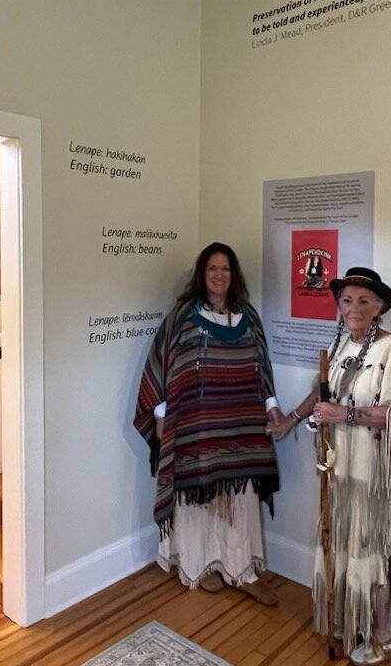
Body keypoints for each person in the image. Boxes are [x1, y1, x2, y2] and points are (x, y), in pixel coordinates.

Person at [268, 267, 391, 665]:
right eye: (347, 300)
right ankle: (352, 620)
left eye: (363, 300)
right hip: (340, 472)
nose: (354, 307)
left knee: (375, 550)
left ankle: (384, 636)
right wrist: (291, 418)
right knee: (345, 547)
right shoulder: (341, 347)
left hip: (374, 476)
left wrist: (345, 415)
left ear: (379, 307)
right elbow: (321, 393)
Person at [134, 242, 284, 605]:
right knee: (198, 495)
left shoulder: (248, 317)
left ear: (234, 277)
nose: (219, 275)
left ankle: (241, 570)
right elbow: (165, 366)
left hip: (243, 425)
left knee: (241, 499)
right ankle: (201, 566)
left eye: (226, 269)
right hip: (195, 425)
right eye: (212, 269)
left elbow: (261, 367)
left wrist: (273, 406)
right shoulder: (183, 316)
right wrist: (159, 417)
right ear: (202, 275)